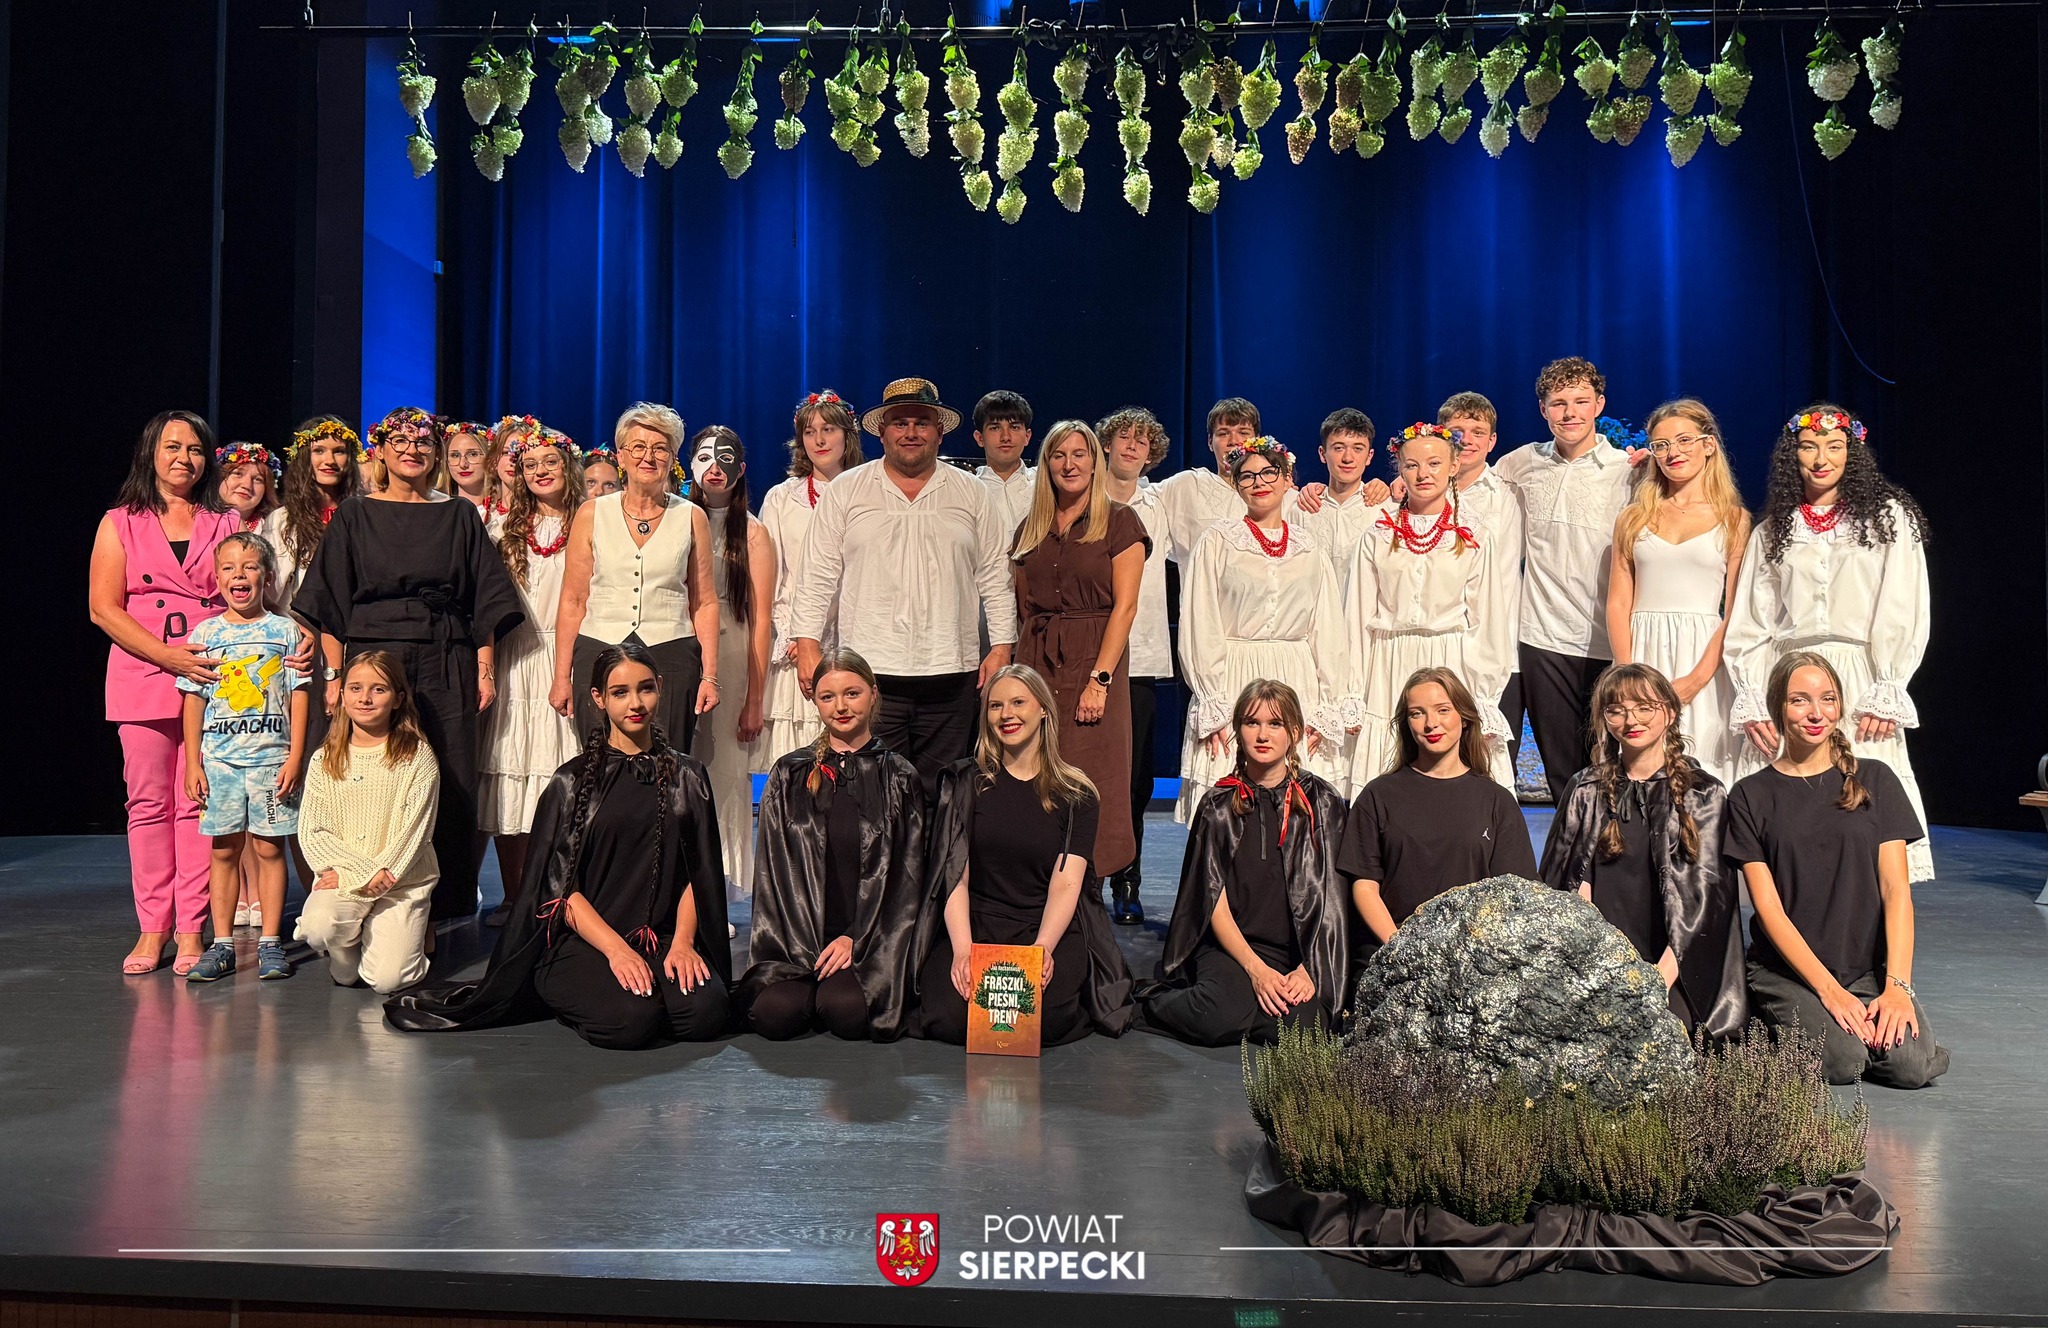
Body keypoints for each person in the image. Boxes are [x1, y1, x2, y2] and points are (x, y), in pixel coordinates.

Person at [383, 643, 732, 1047]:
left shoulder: (689, 776)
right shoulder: (571, 782)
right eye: (620, 692)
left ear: (660, 688)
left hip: (658, 937)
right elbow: (560, 891)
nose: (636, 703)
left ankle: (644, 985)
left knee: (706, 1015)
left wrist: (684, 943)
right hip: (584, 941)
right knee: (631, 1021)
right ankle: (561, 984)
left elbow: (697, 875)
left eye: (646, 688)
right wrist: (617, 952)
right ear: (598, 698)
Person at [292, 406, 525, 923]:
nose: (411, 450)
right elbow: (330, 601)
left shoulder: (459, 514)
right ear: (380, 451)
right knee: (376, 769)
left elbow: (483, 599)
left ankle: (445, 902)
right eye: (399, 441)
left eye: (422, 442)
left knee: (450, 770)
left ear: (435, 452)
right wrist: (334, 675)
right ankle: (365, 885)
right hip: (374, 654)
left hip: (446, 653)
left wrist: (484, 668)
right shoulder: (355, 515)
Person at [1724, 405, 1935, 883]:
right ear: (1792, 456)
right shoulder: (1774, 529)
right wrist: (1754, 697)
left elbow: (1903, 605)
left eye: (1834, 447)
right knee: (1798, 798)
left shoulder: (1887, 519)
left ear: (1851, 454)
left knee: (1865, 796)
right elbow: (1753, 621)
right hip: (1791, 672)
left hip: (1860, 672)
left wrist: (1889, 685)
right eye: (1809, 447)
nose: (1821, 459)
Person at [1723, 652, 1948, 1087]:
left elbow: (1896, 891)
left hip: (1865, 970)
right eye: (1799, 700)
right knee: (1842, 1063)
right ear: (1777, 708)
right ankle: (1768, 1020)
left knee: (1910, 1068)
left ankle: (1860, 1021)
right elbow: (1768, 909)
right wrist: (1828, 991)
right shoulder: (1750, 795)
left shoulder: (1876, 779)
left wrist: (1897, 986)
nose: (1816, 713)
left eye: (1827, 699)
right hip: (1790, 972)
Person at [791, 377, 1016, 802]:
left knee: (943, 796)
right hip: (869, 671)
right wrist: (807, 644)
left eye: (921, 423)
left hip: (952, 670)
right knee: (871, 794)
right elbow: (817, 575)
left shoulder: (972, 493)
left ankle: (936, 852)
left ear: (939, 431)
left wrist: (1002, 646)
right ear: (882, 431)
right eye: (900, 423)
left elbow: (996, 576)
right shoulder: (847, 490)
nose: (910, 432)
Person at [91, 411, 242, 975]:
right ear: (150, 453)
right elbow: (103, 608)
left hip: (213, 674)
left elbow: (248, 592)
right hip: (143, 671)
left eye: (196, 449)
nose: (185, 458)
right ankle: (153, 927)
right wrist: (165, 656)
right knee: (148, 804)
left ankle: (191, 928)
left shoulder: (225, 521)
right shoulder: (120, 522)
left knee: (198, 802)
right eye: (173, 446)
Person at [914, 665, 1134, 1045]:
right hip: (977, 924)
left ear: (1043, 709)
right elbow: (955, 878)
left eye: (1018, 702)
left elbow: (1067, 884)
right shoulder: (965, 783)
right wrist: (963, 951)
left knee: (1035, 1020)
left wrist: (1042, 950)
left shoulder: (1076, 793)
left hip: (1043, 926)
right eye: (995, 705)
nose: (1006, 714)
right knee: (953, 1017)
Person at [1539, 663, 1746, 1037]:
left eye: (1644, 707)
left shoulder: (1703, 794)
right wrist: (1600, 970)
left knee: (1665, 1037)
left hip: (1676, 966)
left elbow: (1705, 906)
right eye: (1616, 710)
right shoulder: (1585, 789)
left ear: (1670, 712)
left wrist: (1656, 980)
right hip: (1599, 963)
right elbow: (1566, 890)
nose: (1631, 720)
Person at [1141, 680, 1351, 1046]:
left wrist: (1310, 968)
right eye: (1252, 723)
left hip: (1299, 948)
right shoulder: (1218, 805)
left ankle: (1244, 1010)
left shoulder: (1322, 801)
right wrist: (1256, 971)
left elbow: (1334, 897)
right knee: (1214, 1016)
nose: (1263, 735)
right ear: (1238, 729)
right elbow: (1211, 900)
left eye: (1275, 724)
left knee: (1309, 1029)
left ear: (1294, 733)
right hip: (1233, 947)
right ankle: (1151, 1004)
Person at [740, 649, 928, 1041]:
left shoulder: (899, 776)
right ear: (815, 701)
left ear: (873, 694)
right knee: (775, 1014)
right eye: (828, 696)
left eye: (852, 694)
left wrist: (856, 938)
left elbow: (907, 881)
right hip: (797, 940)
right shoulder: (789, 774)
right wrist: (799, 948)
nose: (840, 707)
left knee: (845, 1011)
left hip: (870, 941)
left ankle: (835, 984)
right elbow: (773, 877)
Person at [1178, 436, 1350, 818]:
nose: (1259, 482)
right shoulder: (1218, 541)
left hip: (1297, 678)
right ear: (1236, 484)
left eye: (1269, 472)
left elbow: (1327, 629)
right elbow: (1200, 622)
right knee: (1231, 807)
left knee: (1297, 809)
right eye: (1247, 476)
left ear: (1288, 479)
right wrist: (1214, 701)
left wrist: (1327, 706)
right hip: (1234, 676)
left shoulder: (1309, 546)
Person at [1011, 420, 1150, 884]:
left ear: (1095, 462)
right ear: (1046, 464)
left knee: (1093, 773)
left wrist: (1100, 679)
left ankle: (1088, 888)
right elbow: (1024, 607)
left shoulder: (1120, 521)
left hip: (1094, 662)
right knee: (1035, 768)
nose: (1069, 464)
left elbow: (1125, 608)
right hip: (1037, 662)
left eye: (1079, 454)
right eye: (1058, 455)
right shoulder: (1030, 529)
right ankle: (1039, 885)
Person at [1345, 422, 1516, 793]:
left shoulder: (1473, 535)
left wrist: (1484, 694)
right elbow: (1355, 620)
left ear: (1453, 466)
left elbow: (1486, 621)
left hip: (1451, 658)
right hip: (1389, 662)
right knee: (1391, 774)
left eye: (1434, 463)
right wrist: (1354, 691)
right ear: (1400, 469)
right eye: (1412, 465)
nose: (1423, 474)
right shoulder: (1377, 535)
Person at [1494, 357, 1636, 799]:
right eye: (1558, 403)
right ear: (1543, 409)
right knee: (1564, 778)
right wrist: (1393, 488)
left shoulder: (1628, 471)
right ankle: (1572, 847)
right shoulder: (1521, 463)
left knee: (1616, 770)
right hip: (1543, 639)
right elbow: (1467, 486)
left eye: (1580, 401)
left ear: (1599, 404)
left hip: (1607, 641)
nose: (1570, 412)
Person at [177, 533, 310, 983]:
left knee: (270, 849)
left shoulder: (285, 631)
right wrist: (193, 762)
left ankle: (271, 942)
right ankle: (223, 944)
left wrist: (295, 756)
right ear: (217, 579)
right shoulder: (206, 634)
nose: (240, 575)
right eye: (229, 567)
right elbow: (193, 699)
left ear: (267, 577)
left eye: (250, 566)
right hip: (220, 764)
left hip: (272, 763)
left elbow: (299, 694)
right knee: (224, 850)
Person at [551, 402, 722, 746]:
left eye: (660, 449)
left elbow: (704, 602)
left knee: (668, 763)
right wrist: (561, 676)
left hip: (671, 653)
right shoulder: (592, 513)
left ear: (672, 458)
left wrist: (710, 676)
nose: (649, 457)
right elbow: (573, 600)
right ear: (621, 456)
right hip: (599, 649)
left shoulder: (691, 516)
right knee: (599, 763)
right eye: (638, 447)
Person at [1339, 667, 1536, 958]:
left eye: (1443, 710)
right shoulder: (1378, 795)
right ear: (1407, 723)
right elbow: (1365, 886)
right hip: (1392, 952)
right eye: (1417, 713)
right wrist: (1401, 947)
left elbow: (1513, 894)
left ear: (1464, 718)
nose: (1431, 723)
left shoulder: (1496, 801)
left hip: (1472, 958)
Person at [1603, 400, 1750, 787]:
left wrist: (1697, 679)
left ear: (1708, 445)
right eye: (1661, 445)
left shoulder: (1734, 519)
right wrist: (1628, 674)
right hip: (1643, 651)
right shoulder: (1633, 517)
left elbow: (1737, 611)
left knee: (1701, 770)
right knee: (1638, 771)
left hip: (1703, 655)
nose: (1673, 453)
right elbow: (1618, 602)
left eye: (1684, 440)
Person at [478, 421, 585, 923]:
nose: (540, 471)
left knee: (560, 774)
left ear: (568, 467)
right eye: (530, 464)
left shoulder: (588, 523)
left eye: (550, 462)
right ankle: (515, 895)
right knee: (510, 774)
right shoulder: (502, 530)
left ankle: (563, 894)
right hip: (514, 658)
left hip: (564, 656)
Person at [295, 652, 442, 993]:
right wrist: (360, 873)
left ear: (398, 699)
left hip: (400, 880)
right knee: (317, 927)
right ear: (342, 695)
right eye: (356, 688)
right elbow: (313, 831)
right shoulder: (325, 758)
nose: (365, 698)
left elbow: (416, 832)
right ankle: (345, 955)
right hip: (345, 876)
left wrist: (380, 873)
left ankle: (390, 934)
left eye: (378, 689)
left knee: (388, 980)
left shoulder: (417, 756)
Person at [686, 425, 776, 904]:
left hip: (733, 657)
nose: (714, 467)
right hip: (682, 649)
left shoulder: (754, 534)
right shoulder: (676, 519)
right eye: (704, 457)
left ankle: (713, 893)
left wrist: (754, 699)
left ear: (741, 470)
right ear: (690, 465)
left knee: (721, 775)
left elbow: (760, 621)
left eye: (725, 458)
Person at [754, 390, 863, 770]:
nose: (819, 439)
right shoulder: (783, 499)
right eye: (810, 431)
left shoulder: (865, 494)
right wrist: (797, 636)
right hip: (794, 646)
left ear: (847, 435)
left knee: (843, 753)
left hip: (851, 639)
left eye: (828, 429)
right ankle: (780, 808)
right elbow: (771, 578)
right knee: (788, 754)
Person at [1097, 406, 1172, 925]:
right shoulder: (1081, 493)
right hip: (1089, 652)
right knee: (1084, 771)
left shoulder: (1161, 503)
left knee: (1135, 778)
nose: (1130, 446)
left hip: (1140, 657)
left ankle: (1128, 879)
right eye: (1123, 437)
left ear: (1151, 454)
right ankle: (1083, 878)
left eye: (1141, 441)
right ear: (1106, 443)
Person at [1439, 392, 1526, 772]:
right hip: (1441, 645)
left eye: (1478, 431)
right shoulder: (1418, 494)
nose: (1468, 439)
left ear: (1492, 441)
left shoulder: (1513, 495)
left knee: (1494, 761)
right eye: (1457, 431)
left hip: (1499, 648)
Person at [1291, 408, 1393, 569]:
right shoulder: (1302, 509)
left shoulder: (1386, 508)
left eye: (1358, 449)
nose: (1347, 458)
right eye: (1338, 448)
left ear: (1369, 456)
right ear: (1322, 454)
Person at [972, 390, 1037, 541]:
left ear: (1027, 436)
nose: (1006, 437)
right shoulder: (968, 489)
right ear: (980, 438)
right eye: (995, 428)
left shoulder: (1043, 483)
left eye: (1014, 427)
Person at [215, 443, 281, 533]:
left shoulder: (275, 530)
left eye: (257, 479)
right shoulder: (197, 519)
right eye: (238, 474)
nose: (247, 485)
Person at [443, 422, 498, 519]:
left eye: (473, 454)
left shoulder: (502, 514)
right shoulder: (439, 511)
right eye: (455, 455)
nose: (463, 464)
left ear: (489, 458)